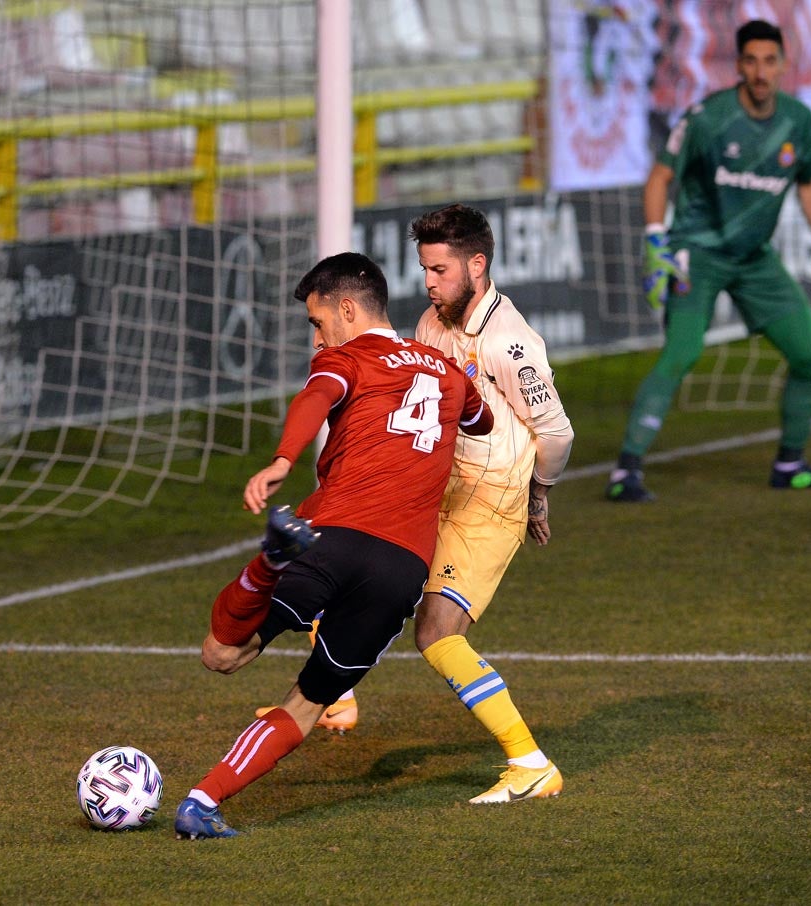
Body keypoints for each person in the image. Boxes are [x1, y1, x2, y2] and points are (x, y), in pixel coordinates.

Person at [173, 251, 493, 839]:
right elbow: (482, 422)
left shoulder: (348, 359)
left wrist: (280, 461)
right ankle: (201, 802)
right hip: (401, 570)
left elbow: (315, 399)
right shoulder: (447, 372)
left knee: (223, 653)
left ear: (348, 309)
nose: (319, 341)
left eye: (319, 324)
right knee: (309, 702)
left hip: (334, 536)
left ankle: (271, 563)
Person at [269, 204, 575, 803]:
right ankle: (333, 700)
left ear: (477, 265)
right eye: (425, 269)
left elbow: (557, 433)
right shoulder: (433, 324)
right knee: (347, 554)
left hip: (489, 505)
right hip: (442, 489)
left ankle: (530, 763)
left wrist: (539, 497)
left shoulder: (511, 343)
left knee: (437, 633)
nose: (429, 283)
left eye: (440, 270)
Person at [606, 18, 811, 503]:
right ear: (738, 65)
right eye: (751, 61)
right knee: (682, 352)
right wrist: (657, 242)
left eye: (769, 61)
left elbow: (808, 182)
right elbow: (659, 178)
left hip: (754, 258)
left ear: (783, 65)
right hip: (696, 253)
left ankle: (789, 464)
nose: (761, 71)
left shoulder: (797, 121)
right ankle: (625, 471)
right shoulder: (708, 118)